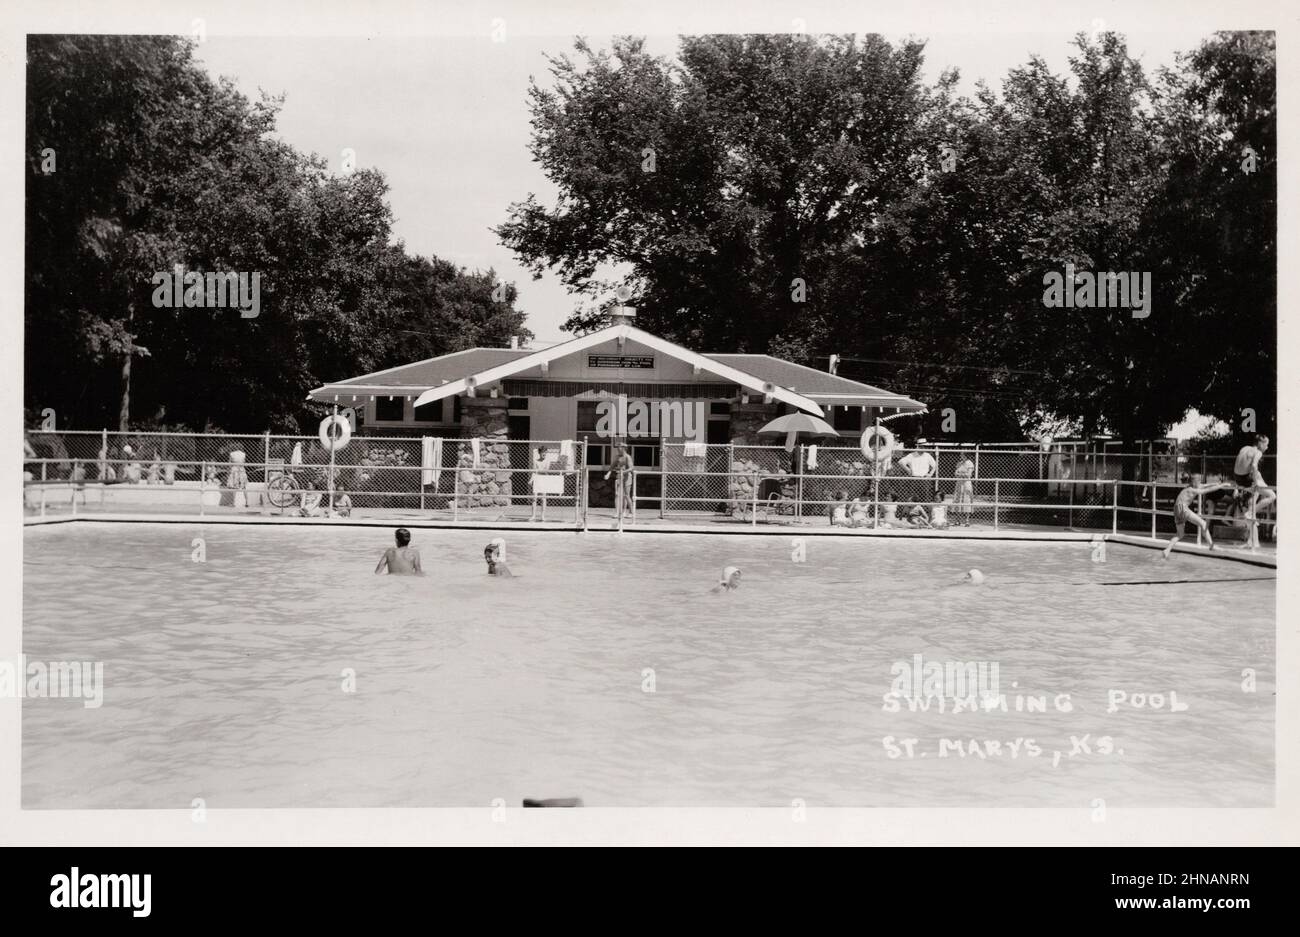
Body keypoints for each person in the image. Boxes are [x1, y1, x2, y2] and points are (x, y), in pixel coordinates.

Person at [1162, 479, 1232, 557]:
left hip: (1176, 509)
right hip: (1182, 508)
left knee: (1180, 534)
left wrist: (1215, 483)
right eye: (1198, 482)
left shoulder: (1189, 487)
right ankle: (1211, 546)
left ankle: (1167, 550)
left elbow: (1204, 485)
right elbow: (1206, 490)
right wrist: (1221, 486)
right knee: (1203, 523)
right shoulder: (1192, 490)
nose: (1200, 483)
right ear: (1194, 484)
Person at [1232, 434, 1275, 550]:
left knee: (1252, 506)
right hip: (1247, 479)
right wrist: (1255, 483)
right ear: (1260, 443)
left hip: (1238, 478)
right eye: (1266, 444)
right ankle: (1250, 513)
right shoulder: (1258, 452)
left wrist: (1237, 486)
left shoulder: (1244, 448)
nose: (1267, 447)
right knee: (1272, 496)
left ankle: (1251, 542)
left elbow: (1237, 466)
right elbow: (1254, 466)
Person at [605, 441, 633, 519]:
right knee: (617, 494)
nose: (618, 448)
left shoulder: (627, 457)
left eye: (619, 447)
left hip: (627, 477)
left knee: (626, 495)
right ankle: (617, 512)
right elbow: (612, 466)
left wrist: (623, 472)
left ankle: (629, 512)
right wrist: (608, 473)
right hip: (619, 477)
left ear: (624, 448)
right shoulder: (617, 457)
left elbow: (631, 468)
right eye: (618, 447)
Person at [953, 451, 975, 527]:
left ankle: (967, 521)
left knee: (967, 500)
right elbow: (955, 473)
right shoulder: (959, 463)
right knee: (958, 500)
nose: (960, 455)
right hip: (959, 484)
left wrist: (960, 474)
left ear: (966, 455)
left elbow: (969, 474)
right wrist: (962, 474)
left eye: (962, 454)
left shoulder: (969, 463)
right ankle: (957, 520)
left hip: (966, 484)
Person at [530, 446, 550, 521]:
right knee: (534, 498)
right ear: (539, 453)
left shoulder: (547, 461)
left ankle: (542, 516)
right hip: (537, 479)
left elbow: (546, 471)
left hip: (544, 480)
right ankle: (533, 515)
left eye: (545, 452)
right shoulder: (535, 461)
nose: (544, 454)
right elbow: (534, 472)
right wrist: (531, 480)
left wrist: (538, 471)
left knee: (543, 499)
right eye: (542, 452)